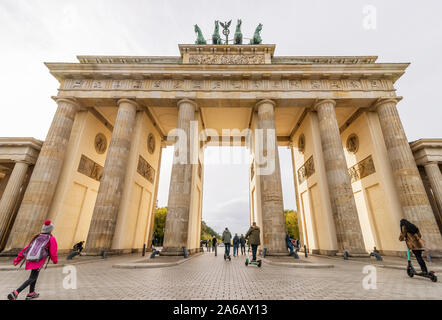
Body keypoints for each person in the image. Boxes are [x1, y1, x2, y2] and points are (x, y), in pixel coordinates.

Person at [8, 220, 58, 301]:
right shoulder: (51, 238)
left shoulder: (37, 237)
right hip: (39, 260)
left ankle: (31, 293)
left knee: (34, 275)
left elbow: (27, 248)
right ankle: (16, 292)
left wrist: (17, 259)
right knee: (32, 277)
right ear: (50, 230)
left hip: (30, 259)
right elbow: (53, 251)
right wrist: (55, 260)